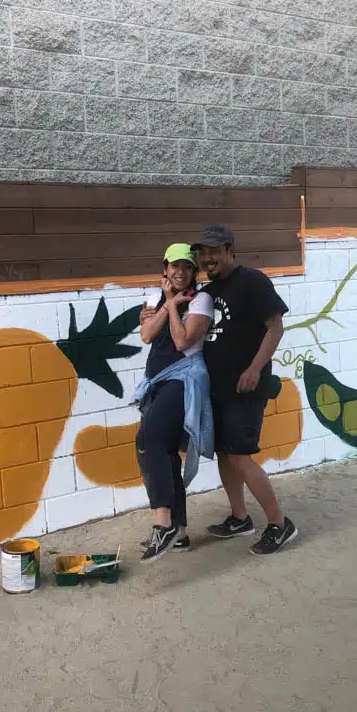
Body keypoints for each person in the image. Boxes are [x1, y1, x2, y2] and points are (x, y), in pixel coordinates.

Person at [190, 225, 298, 556]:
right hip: (218, 388)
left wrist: (254, 369)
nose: (209, 258)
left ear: (230, 250)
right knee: (225, 453)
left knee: (240, 455)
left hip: (245, 387)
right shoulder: (209, 290)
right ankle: (239, 517)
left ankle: (280, 523)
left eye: (215, 251)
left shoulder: (253, 281)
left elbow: (275, 326)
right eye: (204, 253)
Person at [134, 244, 214, 563]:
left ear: (194, 271)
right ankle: (179, 532)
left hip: (185, 378)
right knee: (160, 450)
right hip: (160, 381)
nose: (179, 271)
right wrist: (168, 304)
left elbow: (182, 341)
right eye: (173, 265)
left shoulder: (202, 300)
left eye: (186, 266)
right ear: (164, 269)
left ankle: (163, 523)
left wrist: (169, 303)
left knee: (151, 438)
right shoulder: (156, 299)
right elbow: (146, 335)